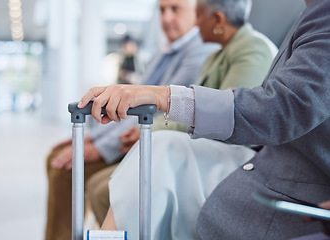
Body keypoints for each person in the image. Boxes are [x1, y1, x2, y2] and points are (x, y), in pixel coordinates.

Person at [78, 0, 330, 239]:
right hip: (262, 158)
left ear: (218, 19)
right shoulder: (216, 55)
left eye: (196, 14)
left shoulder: (257, 45)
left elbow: (273, 110)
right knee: (142, 165)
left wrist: (166, 97)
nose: (194, 23)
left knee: (155, 156)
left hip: (275, 171)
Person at [44, 0, 219, 239]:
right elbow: (132, 102)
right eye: (162, 10)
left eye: (175, 9)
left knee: (64, 169)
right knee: (56, 158)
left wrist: (101, 148)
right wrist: (92, 138)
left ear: (196, 13)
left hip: (146, 142)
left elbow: (153, 111)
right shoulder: (164, 51)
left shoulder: (198, 52)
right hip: (133, 137)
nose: (166, 18)